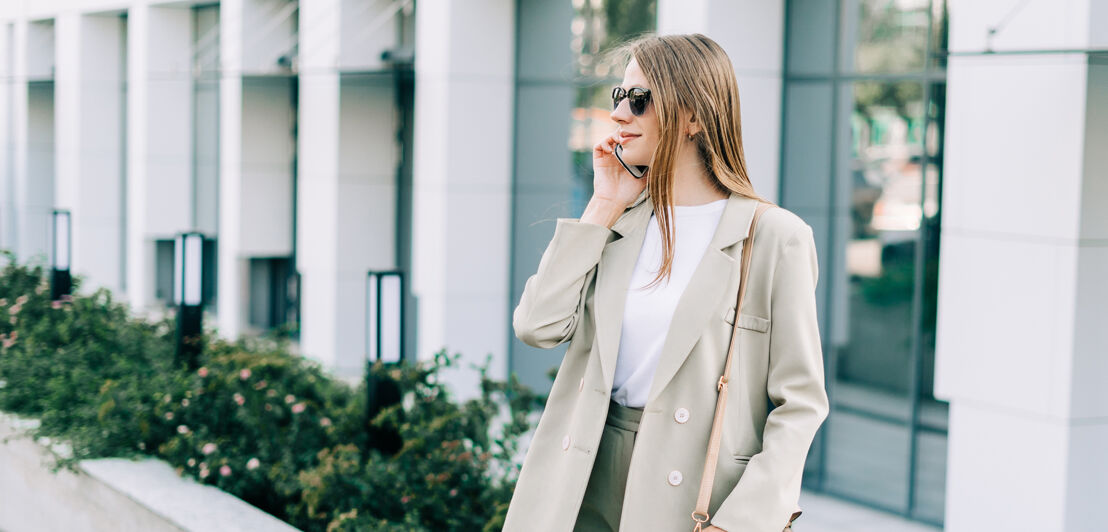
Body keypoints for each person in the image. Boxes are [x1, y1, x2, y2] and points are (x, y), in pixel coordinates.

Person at [502, 33, 828, 532]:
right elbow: (537, 326)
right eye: (618, 97)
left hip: (693, 487)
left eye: (639, 99)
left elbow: (800, 402)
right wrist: (604, 204)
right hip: (583, 471)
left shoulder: (773, 238)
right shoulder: (622, 220)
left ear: (694, 116)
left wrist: (743, 520)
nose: (618, 114)